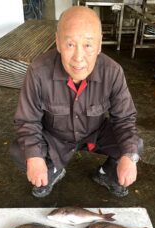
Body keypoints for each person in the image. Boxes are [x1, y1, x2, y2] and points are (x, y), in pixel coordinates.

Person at [11, 5, 143, 198]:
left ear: (99, 45)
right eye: (70, 45)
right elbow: (27, 121)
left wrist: (129, 157)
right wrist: (35, 158)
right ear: (57, 43)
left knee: (134, 147)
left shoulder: (113, 72)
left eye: (88, 45)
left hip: (95, 134)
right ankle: (52, 168)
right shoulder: (38, 71)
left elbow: (124, 119)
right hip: (55, 137)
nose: (78, 57)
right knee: (21, 151)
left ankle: (107, 173)